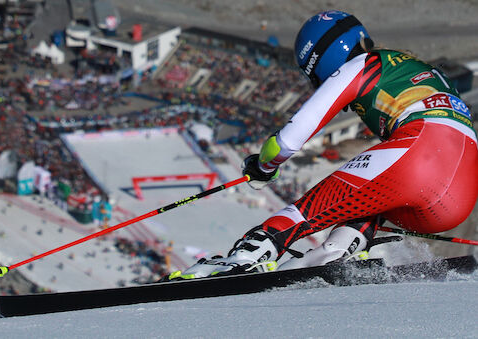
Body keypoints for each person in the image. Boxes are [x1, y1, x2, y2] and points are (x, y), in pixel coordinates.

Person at [172, 10, 478, 279]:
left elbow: (290, 140)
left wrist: (262, 166)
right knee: (370, 197)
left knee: (307, 210)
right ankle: (335, 251)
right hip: (458, 197)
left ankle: (249, 254)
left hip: (422, 154)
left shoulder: (361, 65)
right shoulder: (412, 66)